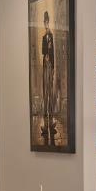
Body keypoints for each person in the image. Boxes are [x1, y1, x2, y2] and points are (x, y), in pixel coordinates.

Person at [40, 10, 58, 147]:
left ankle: (50, 121)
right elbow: (43, 51)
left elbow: (52, 54)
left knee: (50, 91)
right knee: (45, 92)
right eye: (44, 22)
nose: (46, 24)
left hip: (50, 66)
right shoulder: (44, 37)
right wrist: (46, 52)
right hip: (45, 66)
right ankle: (46, 123)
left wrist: (50, 59)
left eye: (47, 21)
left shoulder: (51, 35)